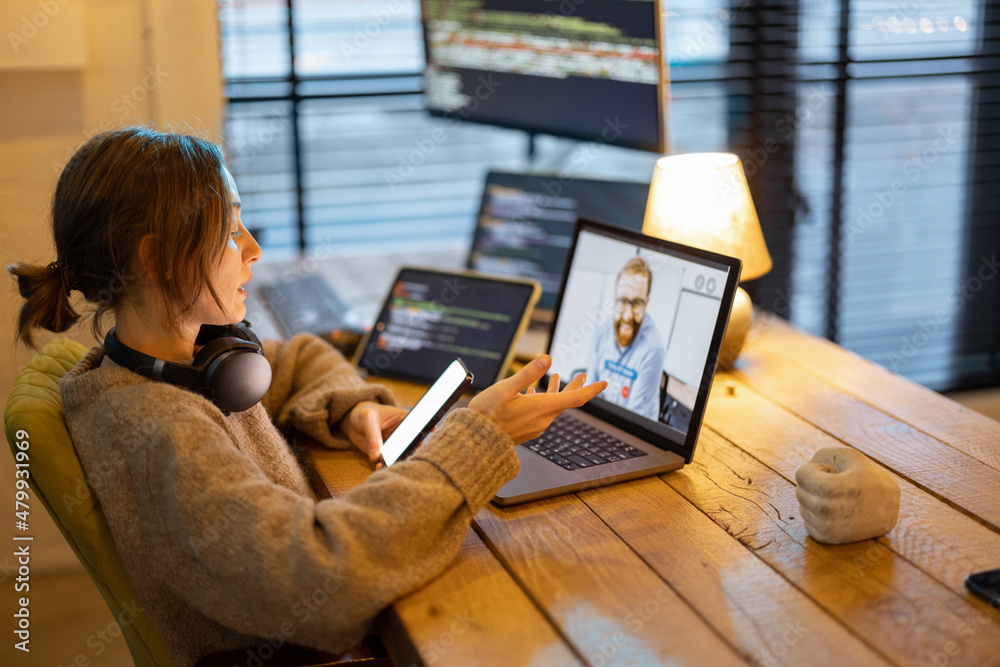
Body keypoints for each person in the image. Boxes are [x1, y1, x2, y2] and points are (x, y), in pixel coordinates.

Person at [9, 127, 606, 666]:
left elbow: (298, 361)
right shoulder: (159, 428)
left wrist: (354, 407)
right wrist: (480, 437)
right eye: (230, 230)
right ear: (157, 258)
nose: (253, 249)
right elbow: (322, 576)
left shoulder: (183, 362)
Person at [588, 255, 664, 420]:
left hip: (632, 433)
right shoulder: (602, 332)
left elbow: (634, 421)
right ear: (614, 300)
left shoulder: (653, 349)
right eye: (623, 301)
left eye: (636, 303)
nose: (628, 316)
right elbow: (587, 394)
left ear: (646, 304)